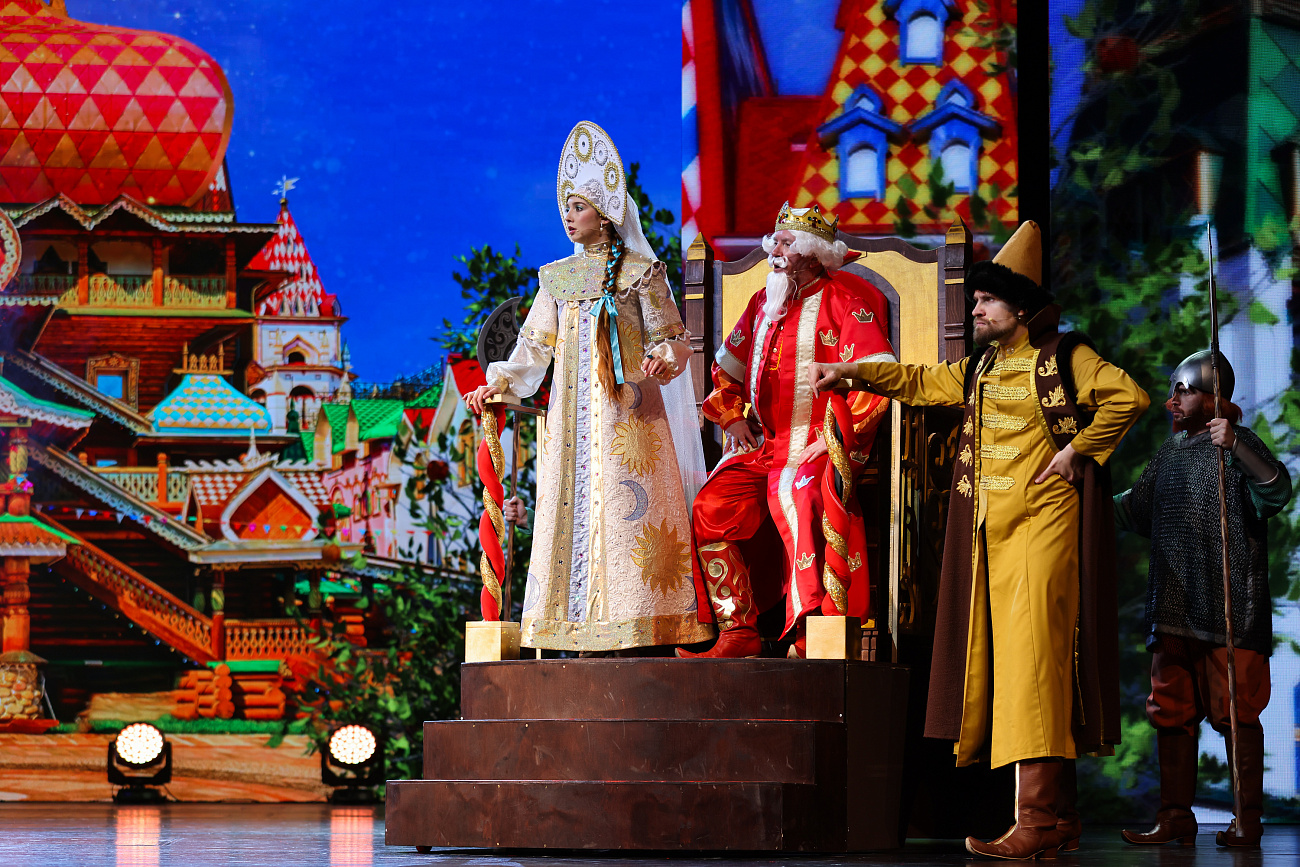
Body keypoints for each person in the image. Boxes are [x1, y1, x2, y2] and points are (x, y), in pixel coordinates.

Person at [808, 220, 1150, 859]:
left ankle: (1035, 821)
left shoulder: (1065, 357)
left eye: (987, 300)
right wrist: (852, 372)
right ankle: (1062, 817)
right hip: (994, 536)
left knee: (1032, 669)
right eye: (975, 301)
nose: (976, 310)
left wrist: (1079, 450)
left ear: (1020, 307)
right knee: (1028, 670)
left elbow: (1127, 397)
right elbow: (921, 381)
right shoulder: (985, 366)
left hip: (1044, 531)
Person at [465, 121, 712, 654]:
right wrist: (499, 381)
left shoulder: (641, 271)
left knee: (628, 514)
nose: (568, 216)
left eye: (577, 207)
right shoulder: (556, 278)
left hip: (629, 413)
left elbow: (675, 339)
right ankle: (574, 627)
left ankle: (640, 624)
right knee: (570, 510)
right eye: (566, 208)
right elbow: (534, 347)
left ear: (604, 213)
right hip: (571, 419)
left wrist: (662, 358)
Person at [679, 202, 894, 660]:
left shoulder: (846, 303)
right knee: (710, 505)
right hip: (765, 447)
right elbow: (726, 372)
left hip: (819, 444)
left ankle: (811, 634)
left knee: (805, 495)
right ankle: (738, 629)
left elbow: (876, 380)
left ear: (814, 254)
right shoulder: (763, 302)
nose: (773, 251)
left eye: (785, 243)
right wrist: (732, 416)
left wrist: (835, 440)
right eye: (773, 241)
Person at [1117, 350, 1291, 849]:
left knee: (1235, 712)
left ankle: (1246, 819)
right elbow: (1134, 509)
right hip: (1173, 607)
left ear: (1213, 395)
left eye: (1184, 390)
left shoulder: (1238, 444)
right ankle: (1175, 816)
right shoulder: (1171, 452)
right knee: (1170, 711)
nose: (1172, 400)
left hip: (1230, 609)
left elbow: (1276, 492)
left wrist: (1234, 444)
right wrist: (1079, 494)